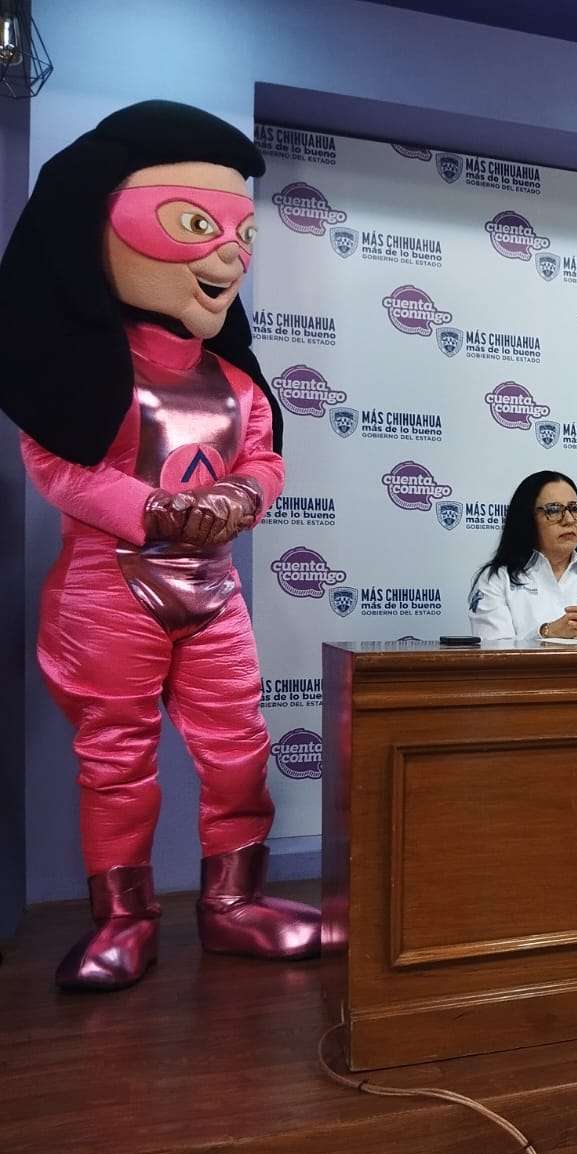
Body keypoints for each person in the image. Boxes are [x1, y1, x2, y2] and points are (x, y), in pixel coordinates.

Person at [0, 101, 319, 990]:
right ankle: (123, 920)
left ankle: (233, 902)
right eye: (195, 225)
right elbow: (60, 468)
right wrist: (159, 511)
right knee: (115, 759)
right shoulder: (85, 370)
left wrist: (242, 496)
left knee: (240, 746)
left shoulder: (236, 379)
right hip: (109, 589)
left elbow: (264, 458)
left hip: (212, 590)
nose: (230, 255)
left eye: (243, 234)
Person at [469, 470, 577, 641]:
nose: (569, 520)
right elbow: (493, 651)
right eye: (554, 510)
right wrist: (546, 633)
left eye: (575, 509)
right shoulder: (496, 580)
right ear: (527, 519)